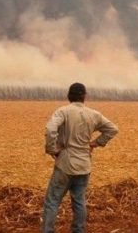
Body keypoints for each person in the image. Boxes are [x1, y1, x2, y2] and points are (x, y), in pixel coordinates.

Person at [41, 82, 119, 233]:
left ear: (69, 96)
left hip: (65, 164)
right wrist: (95, 143)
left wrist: (52, 150)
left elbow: (50, 129)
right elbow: (113, 129)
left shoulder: (63, 112)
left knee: (52, 201)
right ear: (84, 97)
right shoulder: (93, 114)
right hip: (84, 165)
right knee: (79, 202)